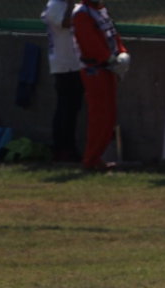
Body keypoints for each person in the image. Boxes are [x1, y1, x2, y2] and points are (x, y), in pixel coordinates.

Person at [70, 0, 128, 172]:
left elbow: (112, 34)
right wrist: (109, 58)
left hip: (107, 67)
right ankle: (90, 159)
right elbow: (89, 42)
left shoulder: (100, 10)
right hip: (94, 69)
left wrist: (122, 51)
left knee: (109, 115)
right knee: (100, 115)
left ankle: (96, 157)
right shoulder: (82, 13)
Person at [39, 0, 84, 162]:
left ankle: (69, 146)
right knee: (66, 108)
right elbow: (65, 23)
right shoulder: (55, 6)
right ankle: (62, 148)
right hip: (64, 64)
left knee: (73, 107)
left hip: (76, 63)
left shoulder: (69, 6)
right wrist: (72, 5)